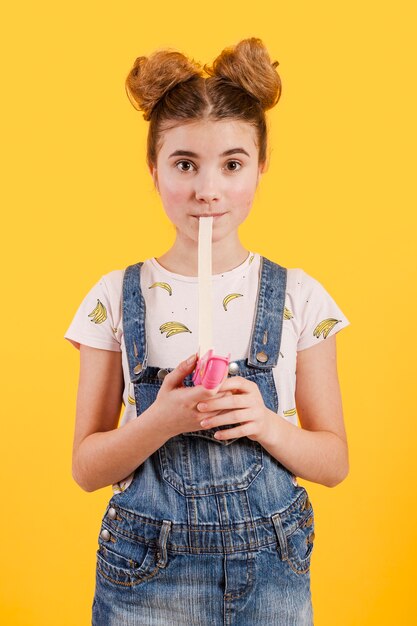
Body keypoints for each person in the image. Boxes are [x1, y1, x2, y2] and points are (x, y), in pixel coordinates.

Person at [64, 37, 350, 626]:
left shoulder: (300, 296)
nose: (208, 190)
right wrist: (160, 421)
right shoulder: (115, 297)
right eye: (185, 164)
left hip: (272, 570)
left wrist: (266, 423)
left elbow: (334, 461)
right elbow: (88, 468)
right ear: (154, 169)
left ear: (261, 166)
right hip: (146, 573)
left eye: (233, 164)